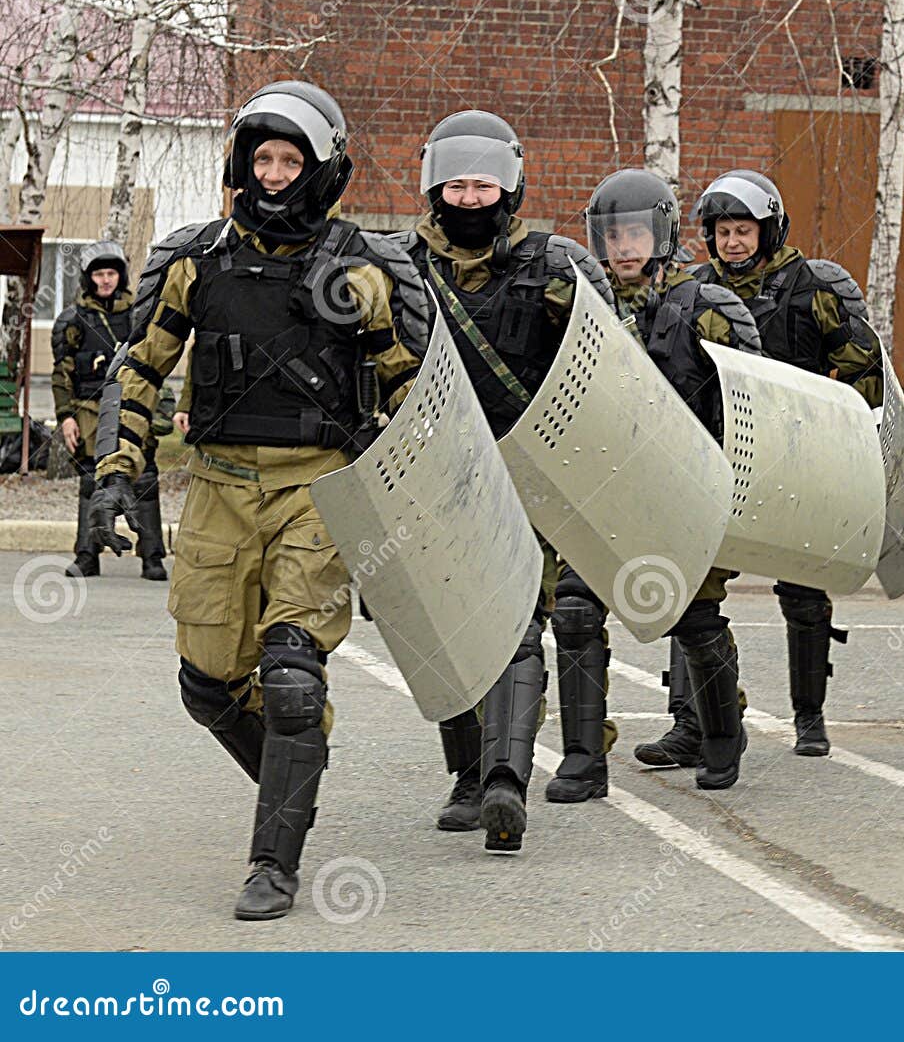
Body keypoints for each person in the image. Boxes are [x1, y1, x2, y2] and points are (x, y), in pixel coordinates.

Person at [90, 80, 432, 919]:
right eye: (263, 158)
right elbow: (139, 369)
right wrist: (112, 470)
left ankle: (273, 862)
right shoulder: (195, 263)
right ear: (243, 166)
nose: (275, 174)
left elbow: (415, 393)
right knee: (207, 686)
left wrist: (423, 502)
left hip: (315, 488)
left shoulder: (361, 270)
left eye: (291, 159)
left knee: (291, 679)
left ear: (321, 170)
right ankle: (296, 765)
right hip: (216, 489)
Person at [395, 110, 616, 840]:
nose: (468, 198)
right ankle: (466, 775)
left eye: (481, 184)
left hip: (525, 469)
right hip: (435, 470)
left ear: (509, 186)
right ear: (434, 187)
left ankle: (504, 783)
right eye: (454, 185)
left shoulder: (557, 266)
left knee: (517, 621)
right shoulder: (401, 268)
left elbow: (606, 365)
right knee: (448, 629)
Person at [690, 170, 880, 757]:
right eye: (723, 231)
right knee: (695, 590)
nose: (732, 242)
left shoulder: (813, 286)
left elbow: (863, 370)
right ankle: (696, 721)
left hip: (796, 458)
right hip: (719, 457)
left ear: (768, 230)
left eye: (743, 230)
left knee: (802, 590)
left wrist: (831, 426)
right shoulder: (693, 289)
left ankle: (809, 716)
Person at [585, 169, 762, 791]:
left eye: (636, 232)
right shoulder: (587, 306)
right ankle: (584, 759)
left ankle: (720, 735)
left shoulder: (708, 306)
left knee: (694, 614)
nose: (625, 246)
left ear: (660, 233)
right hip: (615, 482)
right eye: (613, 235)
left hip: (696, 483)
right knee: (578, 607)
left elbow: (751, 401)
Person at [51, 241, 166, 580]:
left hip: (133, 407)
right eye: (99, 274)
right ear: (90, 278)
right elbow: (62, 374)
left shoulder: (139, 315)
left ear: (121, 276)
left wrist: (164, 409)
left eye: (111, 273)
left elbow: (155, 364)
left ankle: (152, 557)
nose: (105, 280)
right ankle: (87, 556)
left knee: (144, 479)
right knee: (91, 483)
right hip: (88, 411)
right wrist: (65, 418)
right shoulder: (72, 320)